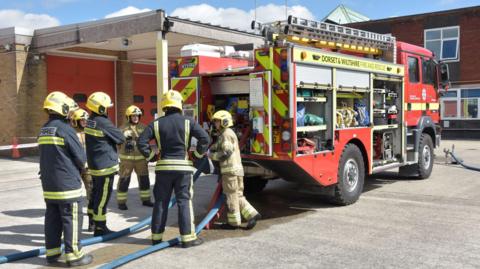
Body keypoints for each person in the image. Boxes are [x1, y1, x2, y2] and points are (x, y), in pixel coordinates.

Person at [137, 90, 210, 248]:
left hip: (163, 169)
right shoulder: (188, 121)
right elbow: (205, 138)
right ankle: (188, 239)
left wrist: (151, 157)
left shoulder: (155, 123)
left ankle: (156, 238)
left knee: (161, 203)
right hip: (183, 169)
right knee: (184, 202)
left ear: (164, 106)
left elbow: (141, 141)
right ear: (180, 105)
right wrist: (196, 155)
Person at [38, 91, 93, 266]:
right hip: (67, 184)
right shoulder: (66, 130)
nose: (70, 113)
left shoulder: (44, 129)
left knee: (52, 218)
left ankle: (53, 254)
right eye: (68, 109)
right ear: (62, 109)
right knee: (72, 219)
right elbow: (81, 158)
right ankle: (74, 256)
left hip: (49, 185)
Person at [210, 110, 261, 230]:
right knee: (238, 195)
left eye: (217, 121)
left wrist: (211, 156)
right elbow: (222, 147)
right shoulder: (228, 133)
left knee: (231, 196)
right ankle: (253, 215)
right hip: (237, 171)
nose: (215, 124)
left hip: (230, 172)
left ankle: (233, 223)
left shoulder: (225, 134)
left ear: (224, 122)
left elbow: (226, 152)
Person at [84, 92, 125, 236]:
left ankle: (91, 222)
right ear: (101, 108)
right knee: (103, 197)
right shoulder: (103, 122)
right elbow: (120, 138)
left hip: (94, 165)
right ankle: (100, 228)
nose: (108, 109)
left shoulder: (90, 120)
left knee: (95, 194)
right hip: (105, 167)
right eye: (106, 107)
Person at [117, 105, 153, 210]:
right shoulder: (122, 128)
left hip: (141, 160)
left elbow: (147, 141)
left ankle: (146, 200)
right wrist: (124, 137)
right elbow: (117, 142)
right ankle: (121, 202)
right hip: (127, 160)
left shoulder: (144, 127)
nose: (136, 118)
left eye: (137, 116)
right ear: (128, 117)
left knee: (144, 180)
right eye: (133, 116)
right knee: (124, 180)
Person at [71, 108, 94, 232]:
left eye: (86, 119)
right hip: (75, 168)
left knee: (91, 194)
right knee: (74, 194)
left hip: (88, 168)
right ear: (75, 121)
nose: (85, 122)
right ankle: (73, 224)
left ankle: (92, 221)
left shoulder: (90, 132)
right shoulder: (70, 133)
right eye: (82, 120)